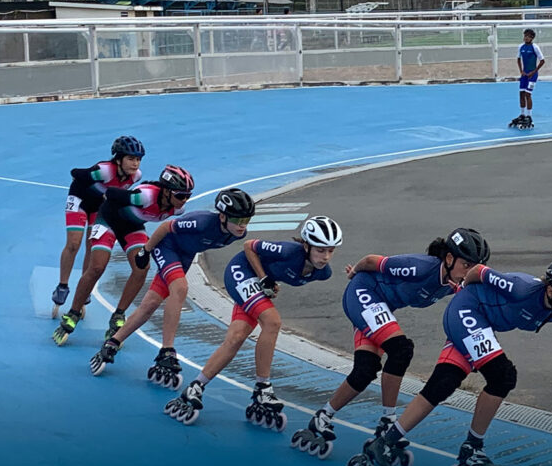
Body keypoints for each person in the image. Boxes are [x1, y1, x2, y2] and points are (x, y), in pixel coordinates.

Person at [353, 255, 552, 466]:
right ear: (551, 290)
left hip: (482, 322)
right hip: (468, 312)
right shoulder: (521, 289)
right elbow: (479, 271)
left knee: (443, 383)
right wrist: (463, 288)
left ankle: (385, 442)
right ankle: (473, 447)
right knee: (503, 376)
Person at [290, 229, 491, 461]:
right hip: (363, 293)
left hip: (381, 308)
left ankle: (322, 417)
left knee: (365, 370)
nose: (470, 272)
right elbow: (371, 261)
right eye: (466, 265)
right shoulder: (420, 267)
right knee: (401, 349)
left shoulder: (454, 283)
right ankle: (388, 420)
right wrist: (354, 271)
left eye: (475, 267)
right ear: (448, 259)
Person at [164, 216, 343, 429]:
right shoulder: (288, 251)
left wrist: (268, 281)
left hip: (255, 285)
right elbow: (250, 246)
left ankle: (195, 386)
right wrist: (264, 278)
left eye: (330, 250)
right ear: (305, 245)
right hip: (240, 271)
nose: (326, 257)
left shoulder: (323, 273)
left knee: (236, 338)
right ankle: (263, 388)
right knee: (273, 322)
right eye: (320, 250)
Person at [89, 188, 256, 386]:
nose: (242, 226)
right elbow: (166, 227)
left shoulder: (237, 233)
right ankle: (167, 349)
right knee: (180, 288)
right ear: (221, 216)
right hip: (167, 247)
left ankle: (113, 342)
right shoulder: (201, 222)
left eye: (246, 220)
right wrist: (145, 251)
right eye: (238, 220)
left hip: (185, 255)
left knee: (150, 304)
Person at [52, 165, 193, 346]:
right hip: (109, 220)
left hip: (132, 227)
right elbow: (110, 193)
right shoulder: (144, 196)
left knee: (141, 268)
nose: (185, 200)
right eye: (181, 195)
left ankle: (118, 314)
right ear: (166, 191)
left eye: (188, 195)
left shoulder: (177, 209)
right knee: (97, 268)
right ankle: (73, 313)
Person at [52, 136, 145, 318]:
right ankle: (62, 285)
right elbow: (76, 173)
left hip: (99, 208)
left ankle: (83, 287)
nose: (135, 164)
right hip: (79, 200)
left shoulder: (136, 176)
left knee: (91, 247)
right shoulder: (104, 171)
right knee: (73, 243)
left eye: (138, 159)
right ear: (118, 159)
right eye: (131, 159)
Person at [509, 28, 545, 130]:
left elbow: (542, 60)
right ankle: (522, 114)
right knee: (521, 94)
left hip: (532, 75)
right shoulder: (521, 47)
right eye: (525, 36)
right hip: (524, 75)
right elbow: (518, 59)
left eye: (528, 36)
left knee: (528, 94)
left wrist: (534, 71)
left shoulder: (535, 47)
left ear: (532, 38)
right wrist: (521, 71)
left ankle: (529, 115)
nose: (526, 38)